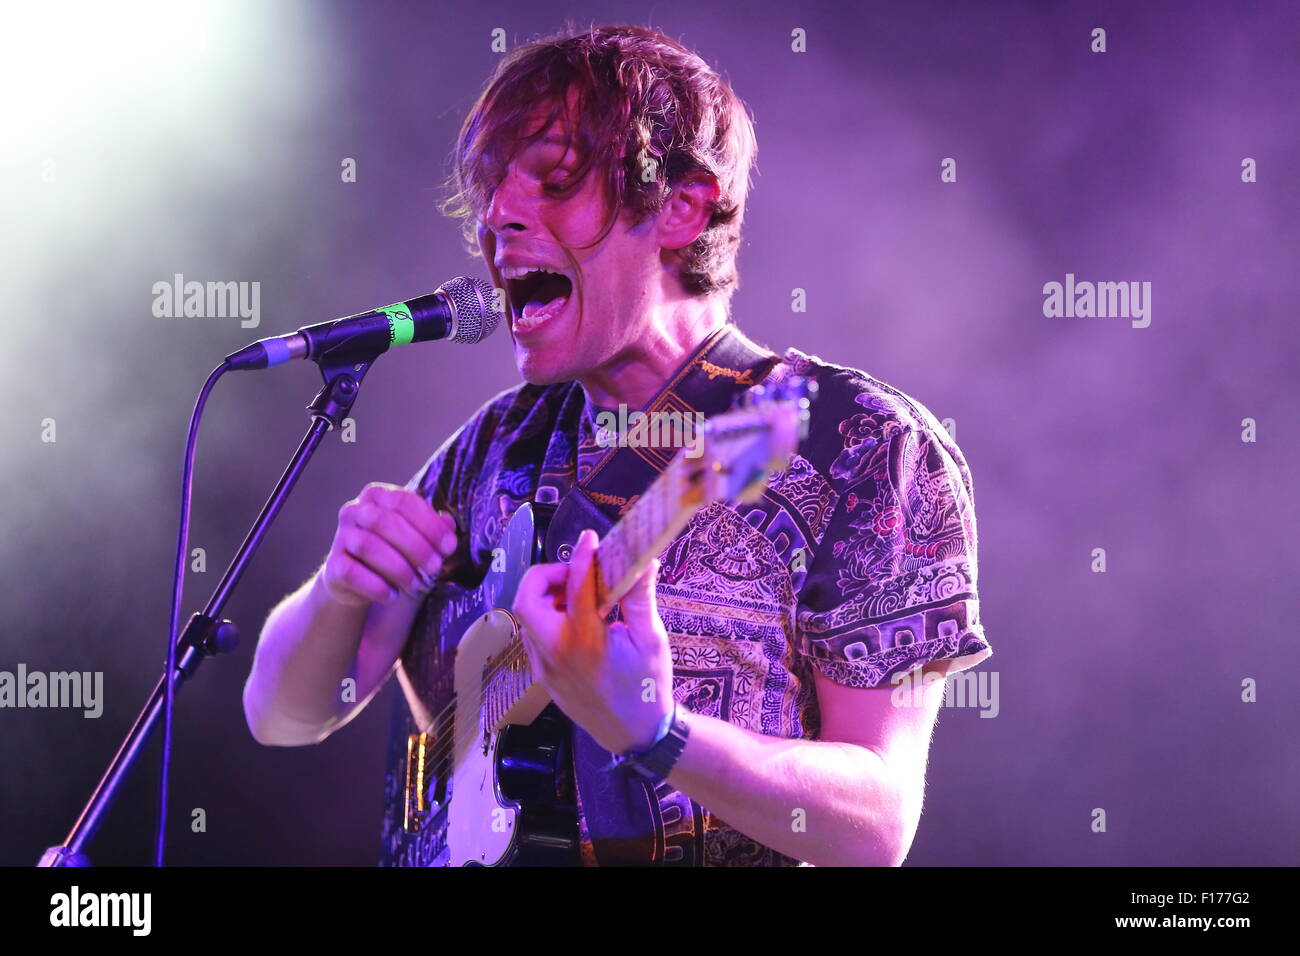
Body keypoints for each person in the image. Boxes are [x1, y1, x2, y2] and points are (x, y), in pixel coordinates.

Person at [242, 24, 992, 867]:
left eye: (555, 180)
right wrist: (339, 592)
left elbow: (877, 828)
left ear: (683, 205)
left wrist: (657, 734)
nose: (498, 216)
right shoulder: (490, 449)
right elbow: (283, 715)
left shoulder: (860, 446)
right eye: (491, 190)